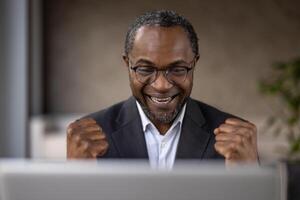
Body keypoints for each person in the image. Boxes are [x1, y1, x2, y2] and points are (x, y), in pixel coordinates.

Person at [67, 10, 258, 168]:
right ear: (127, 64)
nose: (162, 85)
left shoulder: (236, 140)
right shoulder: (87, 139)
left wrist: (250, 175)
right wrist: (74, 176)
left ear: (194, 63)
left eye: (177, 69)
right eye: (145, 69)